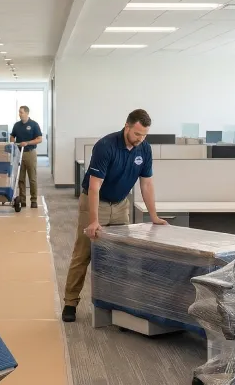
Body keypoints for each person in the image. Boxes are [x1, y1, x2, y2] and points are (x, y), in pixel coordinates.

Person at [61, 109, 167, 323]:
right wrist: (93, 220)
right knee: (83, 253)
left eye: (144, 135)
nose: (140, 139)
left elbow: (146, 184)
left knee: (120, 256)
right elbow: (94, 186)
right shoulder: (106, 146)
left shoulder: (144, 149)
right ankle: (70, 303)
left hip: (120, 205)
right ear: (127, 126)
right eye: (137, 134)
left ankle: (117, 303)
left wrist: (153, 215)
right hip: (95, 202)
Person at [9, 106, 42, 209]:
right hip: (19, 153)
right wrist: (13, 143)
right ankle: (22, 200)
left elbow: (39, 139)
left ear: (27, 113)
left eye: (21, 112)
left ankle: (34, 200)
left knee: (32, 178)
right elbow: (12, 136)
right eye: (19, 112)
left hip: (30, 153)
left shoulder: (34, 124)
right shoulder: (17, 125)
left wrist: (27, 143)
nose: (20, 114)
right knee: (20, 178)